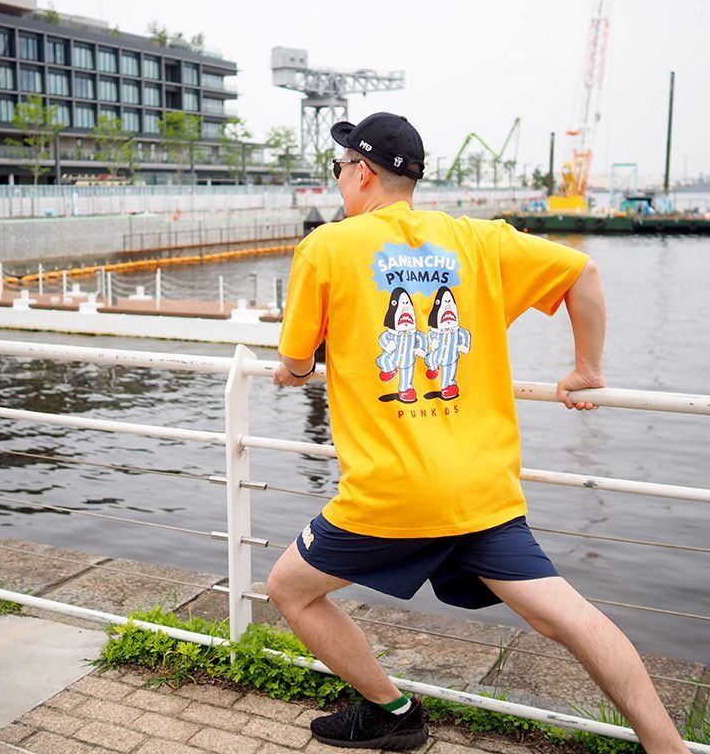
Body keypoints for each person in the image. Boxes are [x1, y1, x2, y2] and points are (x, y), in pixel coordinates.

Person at [268, 112, 689, 753]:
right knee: (566, 618)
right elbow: (585, 275)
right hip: (480, 485)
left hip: (393, 491)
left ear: (362, 173)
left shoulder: (327, 247)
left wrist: (291, 369)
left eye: (339, 168)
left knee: (290, 589)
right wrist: (586, 370)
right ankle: (669, 747)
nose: (339, 180)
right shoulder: (479, 240)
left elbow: (298, 362)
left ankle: (394, 712)